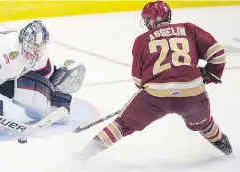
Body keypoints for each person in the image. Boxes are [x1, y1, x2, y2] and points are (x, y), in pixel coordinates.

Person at [76, 0, 232, 163]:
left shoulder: (142, 40)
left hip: (157, 95)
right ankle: (226, 148)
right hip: (192, 92)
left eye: (147, 19)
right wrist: (208, 75)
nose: (146, 22)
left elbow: (138, 80)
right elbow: (218, 54)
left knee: (122, 125)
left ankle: (82, 157)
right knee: (205, 124)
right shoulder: (189, 29)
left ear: (153, 18)